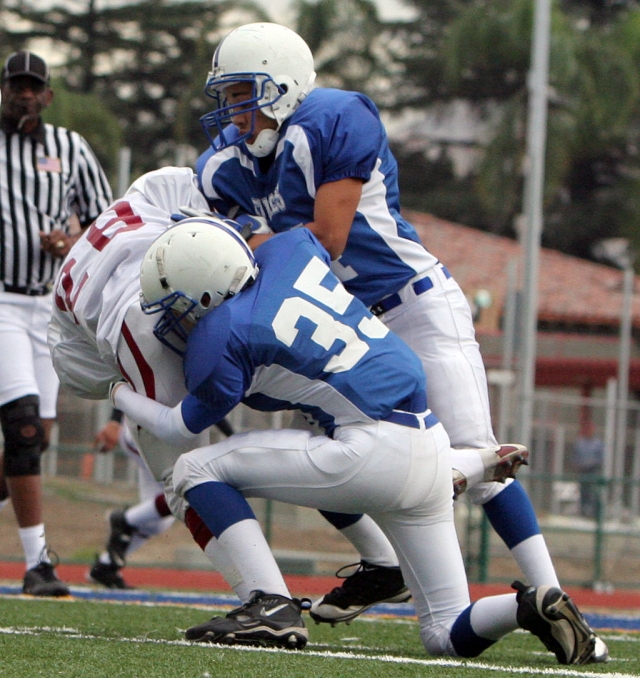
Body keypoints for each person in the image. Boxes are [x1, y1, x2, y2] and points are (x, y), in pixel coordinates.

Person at [194, 24, 606, 663]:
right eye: (228, 96)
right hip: (343, 324)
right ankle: (383, 565)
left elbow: (326, 241)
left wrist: (249, 243)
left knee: (480, 463)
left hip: (409, 304)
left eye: (244, 93)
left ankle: (553, 592)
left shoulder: (333, 118)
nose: (233, 112)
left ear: (285, 82)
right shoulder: (224, 163)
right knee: (339, 445)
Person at [111, 216, 598, 664]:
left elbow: (179, 427)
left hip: (369, 452)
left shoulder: (225, 332)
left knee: (195, 469)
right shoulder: (291, 251)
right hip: (427, 441)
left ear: (205, 294)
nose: (174, 319)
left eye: (177, 306)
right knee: (444, 633)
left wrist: (119, 394)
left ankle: (270, 605)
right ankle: (529, 605)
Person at [48, 166, 249, 596]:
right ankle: (262, 590)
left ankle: (107, 559)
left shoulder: (157, 195)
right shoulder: (143, 311)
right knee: (191, 482)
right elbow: (150, 387)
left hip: (121, 370)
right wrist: (118, 406)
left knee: (164, 509)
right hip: (144, 405)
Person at [0, 50, 113, 596]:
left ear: (47, 95)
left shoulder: (70, 148)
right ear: (3, 90)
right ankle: (36, 563)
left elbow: (108, 221)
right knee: (22, 425)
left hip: (46, 305)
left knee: (35, 439)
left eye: (33, 86)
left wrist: (71, 243)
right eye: (15, 84)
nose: (24, 93)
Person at [88, 409, 234, 589]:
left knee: (157, 522)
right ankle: (122, 520)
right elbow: (124, 382)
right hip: (145, 433)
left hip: (159, 434)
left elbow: (212, 398)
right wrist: (114, 420)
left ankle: (104, 566)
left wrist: (232, 436)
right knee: (182, 489)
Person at [572, 420, 604, 519]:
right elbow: (575, 457)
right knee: (583, 491)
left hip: (593, 471)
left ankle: (594, 514)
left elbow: (601, 458)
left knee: (593, 492)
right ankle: (583, 512)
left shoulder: (598, 444)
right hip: (583, 471)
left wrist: (592, 463)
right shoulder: (580, 443)